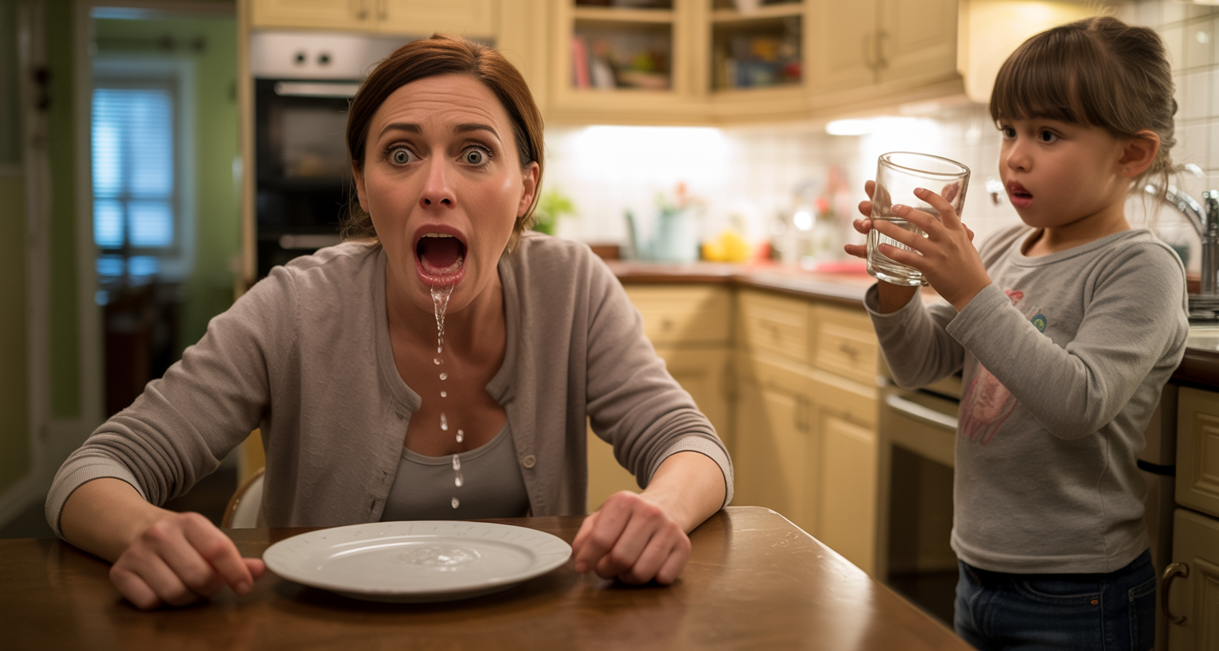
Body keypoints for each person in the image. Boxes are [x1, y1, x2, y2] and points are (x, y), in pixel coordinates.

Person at [47, 34, 733, 610]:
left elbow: (692, 445)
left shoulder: (571, 288)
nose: (436, 186)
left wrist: (663, 508)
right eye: (401, 154)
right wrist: (142, 531)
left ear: (525, 188)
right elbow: (91, 472)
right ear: (365, 185)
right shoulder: (292, 308)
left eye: (474, 154)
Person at [845, 16, 1188, 651]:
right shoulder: (1007, 246)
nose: (1015, 156)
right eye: (1009, 131)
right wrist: (895, 278)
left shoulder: (1140, 268)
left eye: (1048, 134)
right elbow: (918, 363)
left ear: (1132, 154)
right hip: (978, 571)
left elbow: (1077, 404)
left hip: (1083, 592)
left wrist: (972, 290)